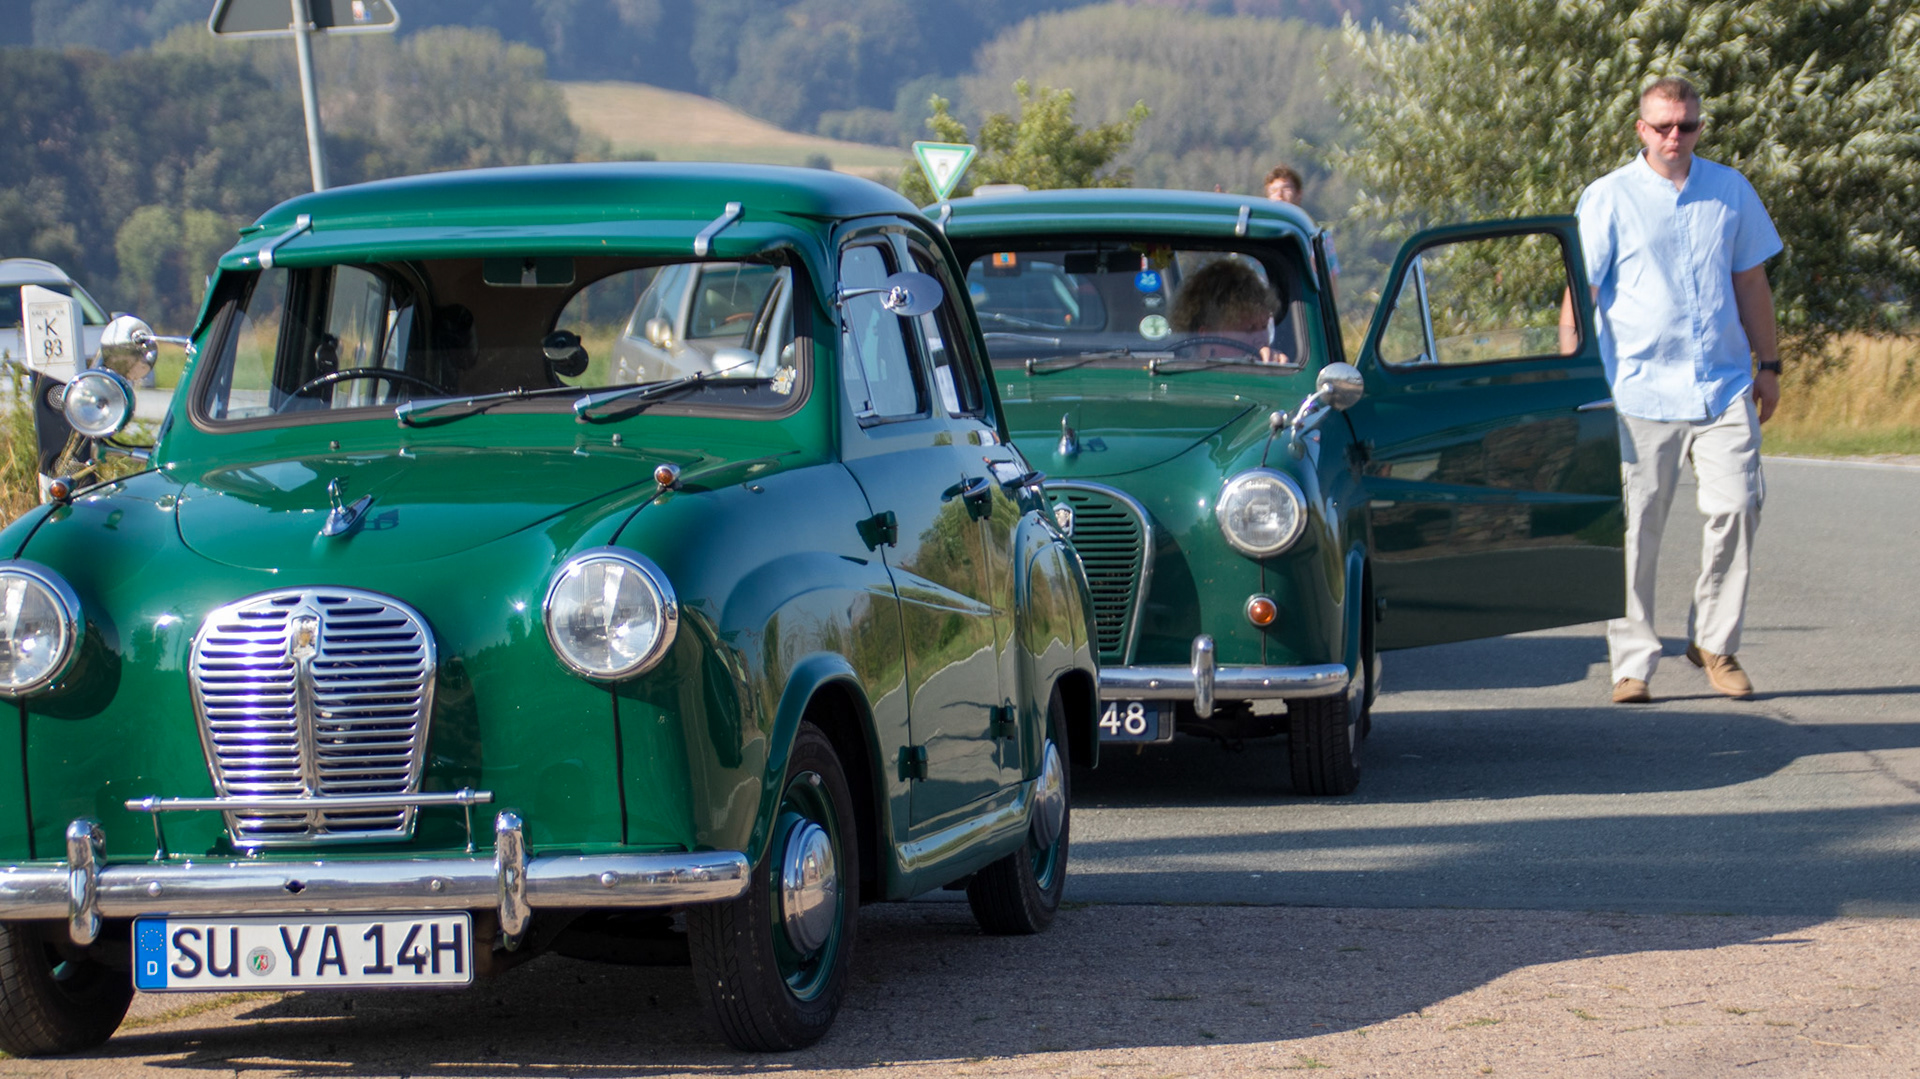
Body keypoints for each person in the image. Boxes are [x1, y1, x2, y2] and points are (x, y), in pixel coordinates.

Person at [1568, 76, 1783, 705]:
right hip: (1637, 389)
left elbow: (1751, 283)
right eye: (1662, 125)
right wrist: (1575, 380)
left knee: (1739, 505)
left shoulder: (1730, 189)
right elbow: (1581, 296)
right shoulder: (1608, 197)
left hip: (1722, 383)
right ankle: (1633, 663)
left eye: (1685, 125)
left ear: (1699, 128)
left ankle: (1714, 642)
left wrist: (1769, 364)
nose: (1674, 136)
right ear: (1642, 129)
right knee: (1637, 531)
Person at [1169, 258, 1287, 364]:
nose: (1261, 339)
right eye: (1249, 329)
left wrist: (1274, 367)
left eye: (1264, 326)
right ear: (1207, 335)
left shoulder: (1271, 371)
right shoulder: (1175, 374)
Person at [1263, 164, 1338, 283]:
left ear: (1298, 194)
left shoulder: (1318, 237)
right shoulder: (1261, 235)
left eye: (1286, 188)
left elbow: (1330, 280)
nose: (1279, 195)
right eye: (1274, 191)